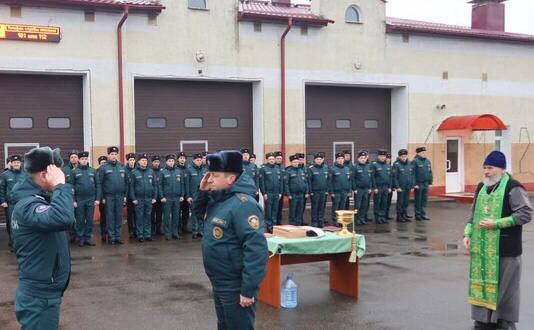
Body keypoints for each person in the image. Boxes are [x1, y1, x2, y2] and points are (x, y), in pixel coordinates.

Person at [192, 150, 267, 330]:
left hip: (235, 284)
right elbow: (197, 213)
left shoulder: (244, 204)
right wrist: (202, 191)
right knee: (224, 325)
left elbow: (256, 250)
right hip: (219, 280)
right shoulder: (219, 198)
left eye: (215, 175)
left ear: (231, 179)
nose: (210, 179)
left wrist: (248, 290)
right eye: (209, 175)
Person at [462, 151, 532, 330]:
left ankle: (504, 321)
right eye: (484, 168)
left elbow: (525, 213)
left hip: (506, 248)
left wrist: (497, 223)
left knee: (505, 288)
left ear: (501, 169)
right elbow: (473, 213)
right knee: (482, 285)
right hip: (482, 249)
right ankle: (482, 319)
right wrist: (467, 233)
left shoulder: (513, 187)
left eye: (490, 168)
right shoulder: (481, 187)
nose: (486, 172)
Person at [10, 147, 75, 329]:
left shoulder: (39, 199)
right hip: (39, 299)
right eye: (57, 172)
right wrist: (60, 186)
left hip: (45, 294)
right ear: (45, 174)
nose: (62, 175)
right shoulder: (27, 205)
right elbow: (63, 218)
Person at [97, 146, 128, 245]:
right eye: (112, 154)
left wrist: (125, 195)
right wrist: (101, 197)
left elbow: (126, 182)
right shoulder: (103, 168)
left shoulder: (122, 167)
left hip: (119, 196)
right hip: (108, 196)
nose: (114, 156)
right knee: (110, 217)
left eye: (115, 154)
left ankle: (117, 236)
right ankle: (111, 237)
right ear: (108, 155)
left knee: (119, 216)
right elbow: (100, 184)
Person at [69, 151, 99, 246]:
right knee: (80, 220)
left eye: (85, 159)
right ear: (79, 160)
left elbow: (98, 185)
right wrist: (73, 200)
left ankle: (88, 238)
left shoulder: (93, 171)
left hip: (90, 198)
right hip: (79, 199)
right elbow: (71, 187)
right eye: (82, 159)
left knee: (90, 219)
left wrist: (97, 198)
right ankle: (81, 238)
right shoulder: (74, 171)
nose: (84, 160)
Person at [130, 153, 157, 242]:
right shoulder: (134, 172)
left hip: (149, 199)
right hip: (139, 199)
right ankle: (140, 235)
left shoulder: (150, 171)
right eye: (142, 160)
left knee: (148, 217)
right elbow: (131, 187)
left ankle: (147, 235)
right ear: (138, 162)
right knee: (139, 217)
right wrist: (133, 198)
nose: (144, 162)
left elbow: (155, 185)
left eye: (145, 160)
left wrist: (154, 197)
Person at [0, 155, 25, 251]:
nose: (16, 164)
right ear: (11, 163)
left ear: (20, 163)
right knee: (12, 224)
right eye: (14, 162)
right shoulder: (5, 175)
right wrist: (3, 201)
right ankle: (14, 244)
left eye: (18, 162)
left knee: (23, 223)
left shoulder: (25, 174)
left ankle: (23, 243)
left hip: (23, 203)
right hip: (10, 204)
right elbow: (1, 189)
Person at [160, 154, 186, 240]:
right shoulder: (162, 172)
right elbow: (159, 185)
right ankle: (167, 234)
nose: (171, 162)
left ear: (174, 162)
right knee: (167, 216)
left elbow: (182, 184)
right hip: (167, 198)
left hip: (177, 198)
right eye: (169, 161)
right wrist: (161, 196)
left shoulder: (178, 171)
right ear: (166, 162)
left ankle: (175, 233)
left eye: (172, 161)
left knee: (176, 216)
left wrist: (182, 195)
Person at [258, 152, 283, 232]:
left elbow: (281, 181)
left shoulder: (277, 168)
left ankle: (274, 226)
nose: (272, 160)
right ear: (267, 159)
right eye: (270, 159)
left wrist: (280, 192)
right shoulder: (263, 169)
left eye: (273, 159)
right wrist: (264, 193)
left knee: (275, 210)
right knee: (269, 211)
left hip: (276, 193)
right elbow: (261, 182)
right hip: (268, 193)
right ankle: (268, 227)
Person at [328, 152, 352, 225]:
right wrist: (331, 192)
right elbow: (330, 182)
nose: (341, 160)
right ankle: (335, 221)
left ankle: (341, 220)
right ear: (336, 160)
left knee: (342, 207)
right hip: (336, 192)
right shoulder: (332, 169)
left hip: (344, 192)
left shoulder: (347, 169)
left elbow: (349, 180)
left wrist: (349, 190)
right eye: (339, 158)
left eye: (342, 158)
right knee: (336, 207)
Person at [285, 155, 308, 226]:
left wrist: (307, 192)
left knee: (300, 210)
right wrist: (288, 194)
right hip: (293, 194)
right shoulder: (288, 171)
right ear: (291, 162)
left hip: (301, 194)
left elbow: (305, 182)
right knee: (293, 210)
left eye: (297, 162)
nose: (296, 163)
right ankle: (292, 224)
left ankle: (299, 223)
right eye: (294, 162)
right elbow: (286, 184)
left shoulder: (301, 170)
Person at [392, 149, 414, 223]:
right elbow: (395, 177)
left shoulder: (410, 164)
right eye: (402, 156)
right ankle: (399, 216)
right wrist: (397, 187)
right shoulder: (396, 165)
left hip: (408, 186)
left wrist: (412, 186)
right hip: (401, 187)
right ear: (399, 157)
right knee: (400, 202)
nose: (404, 158)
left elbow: (412, 176)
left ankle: (404, 215)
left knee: (406, 202)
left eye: (405, 156)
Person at [188, 153, 207, 238]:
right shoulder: (189, 170)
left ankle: (201, 231)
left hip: (203, 196)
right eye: (197, 160)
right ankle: (194, 231)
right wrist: (188, 196)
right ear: (193, 160)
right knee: (194, 214)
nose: (199, 162)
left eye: (200, 160)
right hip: (193, 196)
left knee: (202, 214)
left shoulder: (205, 170)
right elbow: (187, 184)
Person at [308, 152, 329, 228]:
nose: (319, 160)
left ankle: (321, 221)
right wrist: (310, 191)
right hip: (315, 191)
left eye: (320, 159)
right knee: (315, 207)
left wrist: (327, 190)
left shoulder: (326, 168)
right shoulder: (311, 169)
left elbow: (328, 180)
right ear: (314, 160)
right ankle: (314, 222)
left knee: (322, 207)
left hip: (323, 191)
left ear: (322, 160)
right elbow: (309, 181)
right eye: (317, 159)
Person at [352, 150, 373, 225]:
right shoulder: (355, 167)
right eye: (361, 158)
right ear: (358, 159)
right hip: (359, 189)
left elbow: (370, 178)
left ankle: (362, 218)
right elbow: (352, 179)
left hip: (366, 189)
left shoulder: (368, 166)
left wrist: (370, 187)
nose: (363, 159)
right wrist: (354, 189)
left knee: (364, 204)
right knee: (358, 205)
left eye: (364, 158)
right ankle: (357, 219)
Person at [371, 149, 392, 224]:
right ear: (378, 156)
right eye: (381, 156)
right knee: (377, 203)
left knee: (384, 202)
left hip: (386, 187)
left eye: (384, 156)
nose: (383, 157)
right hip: (378, 187)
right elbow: (372, 177)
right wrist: (374, 187)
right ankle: (377, 217)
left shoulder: (388, 165)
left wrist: (390, 187)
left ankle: (383, 217)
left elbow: (390, 177)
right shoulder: (374, 165)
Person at [412, 146, 433, 221]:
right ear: (418, 153)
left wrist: (430, 182)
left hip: (425, 183)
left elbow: (430, 172)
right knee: (418, 199)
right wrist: (414, 184)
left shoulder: (427, 161)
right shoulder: (415, 161)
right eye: (422, 152)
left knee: (424, 199)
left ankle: (422, 213)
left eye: (425, 152)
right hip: (419, 183)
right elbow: (413, 174)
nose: (424, 154)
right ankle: (417, 214)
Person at [176, 152, 191, 235]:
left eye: (183, 158)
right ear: (178, 159)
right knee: (178, 212)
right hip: (179, 195)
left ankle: (184, 227)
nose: (182, 159)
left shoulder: (188, 169)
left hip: (187, 194)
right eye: (181, 158)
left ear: (185, 159)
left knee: (186, 212)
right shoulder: (175, 168)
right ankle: (178, 228)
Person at [125, 153, 137, 238]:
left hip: (137, 196)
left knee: (137, 214)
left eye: (133, 160)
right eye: (130, 160)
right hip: (129, 196)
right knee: (130, 215)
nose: (132, 162)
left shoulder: (137, 169)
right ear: (127, 161)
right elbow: (124, 184)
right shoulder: (124, 170)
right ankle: (131, 230)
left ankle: (137, 229)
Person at [151, 155, 163, 236]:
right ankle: (152, 229)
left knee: (159, 214)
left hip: (160, 197)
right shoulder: (150, 171)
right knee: (151, 214)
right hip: (152, 197)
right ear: (152, 162)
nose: (156, 163)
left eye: (158, 162)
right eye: (155, 162)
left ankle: (158, 229)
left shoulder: (162, 171)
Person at [96, 155, 108, 242]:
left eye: (105, 163)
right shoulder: (97, 172)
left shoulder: (108, 170)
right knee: (103, 216)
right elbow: (98, 186)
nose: (104, 164)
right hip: (102, 198)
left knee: (110, 216)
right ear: (99, 164)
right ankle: (103, 233)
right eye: (102, 163)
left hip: (110, 197)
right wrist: (101, 198)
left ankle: (109, 232)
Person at [274, 151, 285, 225]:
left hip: (282, 190)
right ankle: (273, 223)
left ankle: (279, 221)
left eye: (280, 158)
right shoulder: (273, 166)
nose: (279, 160)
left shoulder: (283, 167)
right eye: (277, 158)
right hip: (274, 191)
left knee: (280, 207)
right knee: (274, 208)